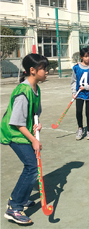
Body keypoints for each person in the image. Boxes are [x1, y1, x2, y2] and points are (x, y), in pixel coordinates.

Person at [1, 54, 49, 224]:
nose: (47, 72)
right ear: (33, 70)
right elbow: (17, 122)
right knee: (32, 166)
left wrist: (37, 124)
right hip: (14, 133)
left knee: (31, 165)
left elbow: (35, 112)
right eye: (44, 68)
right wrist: (34, 140)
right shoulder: (23, 91)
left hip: (24, 130)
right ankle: (14, 207)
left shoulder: (36, 88)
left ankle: (19, 196)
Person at [71, 48, 89, 140]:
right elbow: (73, 81)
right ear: (81, 57)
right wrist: (74, 92)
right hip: (79, 94)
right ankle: (80, 129)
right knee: (78, 111)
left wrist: (86, 87)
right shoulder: (76, 68)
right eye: (86, 56)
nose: (88, 58)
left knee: (88, 112)